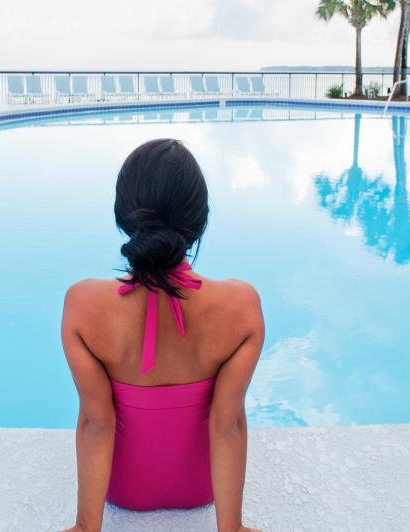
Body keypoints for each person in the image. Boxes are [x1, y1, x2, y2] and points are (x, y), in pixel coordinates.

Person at [61, 139, 264, 532]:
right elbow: (227, 423)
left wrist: (86, 526)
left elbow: (95, 423)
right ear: (200, 220)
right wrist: (232, 528)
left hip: (121, 491)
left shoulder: (82, 305)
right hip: (203, 489)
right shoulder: (241, 306)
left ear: (123, 216)